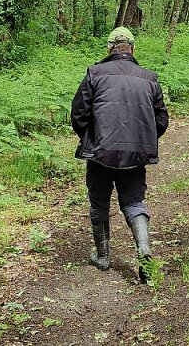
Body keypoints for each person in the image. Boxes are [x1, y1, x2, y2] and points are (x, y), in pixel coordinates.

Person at [71, 27, 169, 283]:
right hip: (135, 154)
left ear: (109, 48)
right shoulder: (149, 78)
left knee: (99, 203)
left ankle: (103, 256)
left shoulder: (95, 73)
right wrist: (141, 140)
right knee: (134, 202)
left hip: (100, 153)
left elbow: (78, 114)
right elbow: (161, 120)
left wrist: (92, 138)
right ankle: (144, 250)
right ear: (133, 49)